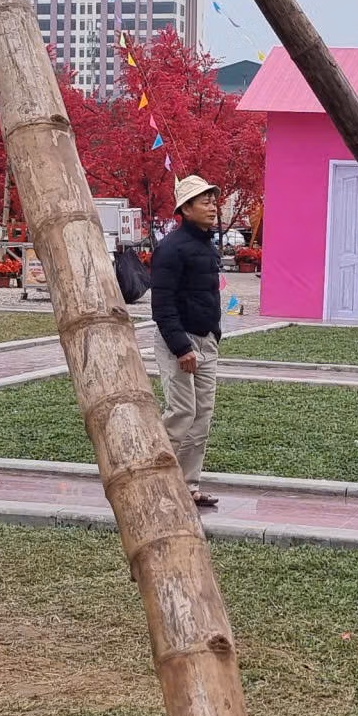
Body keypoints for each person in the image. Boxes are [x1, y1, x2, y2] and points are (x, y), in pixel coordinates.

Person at [150, 174, 225, 510]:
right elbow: (162, 305)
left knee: (202, 416)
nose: (212, 206)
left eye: (213, 200)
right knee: (182, 412)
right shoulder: (170, 249)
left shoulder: (207, 245)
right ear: (186, 208)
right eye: (205, 201)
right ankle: (153, 480)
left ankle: (188, 486)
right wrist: (182, 347)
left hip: (207, 341)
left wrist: (213, 335)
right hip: (179, 343)